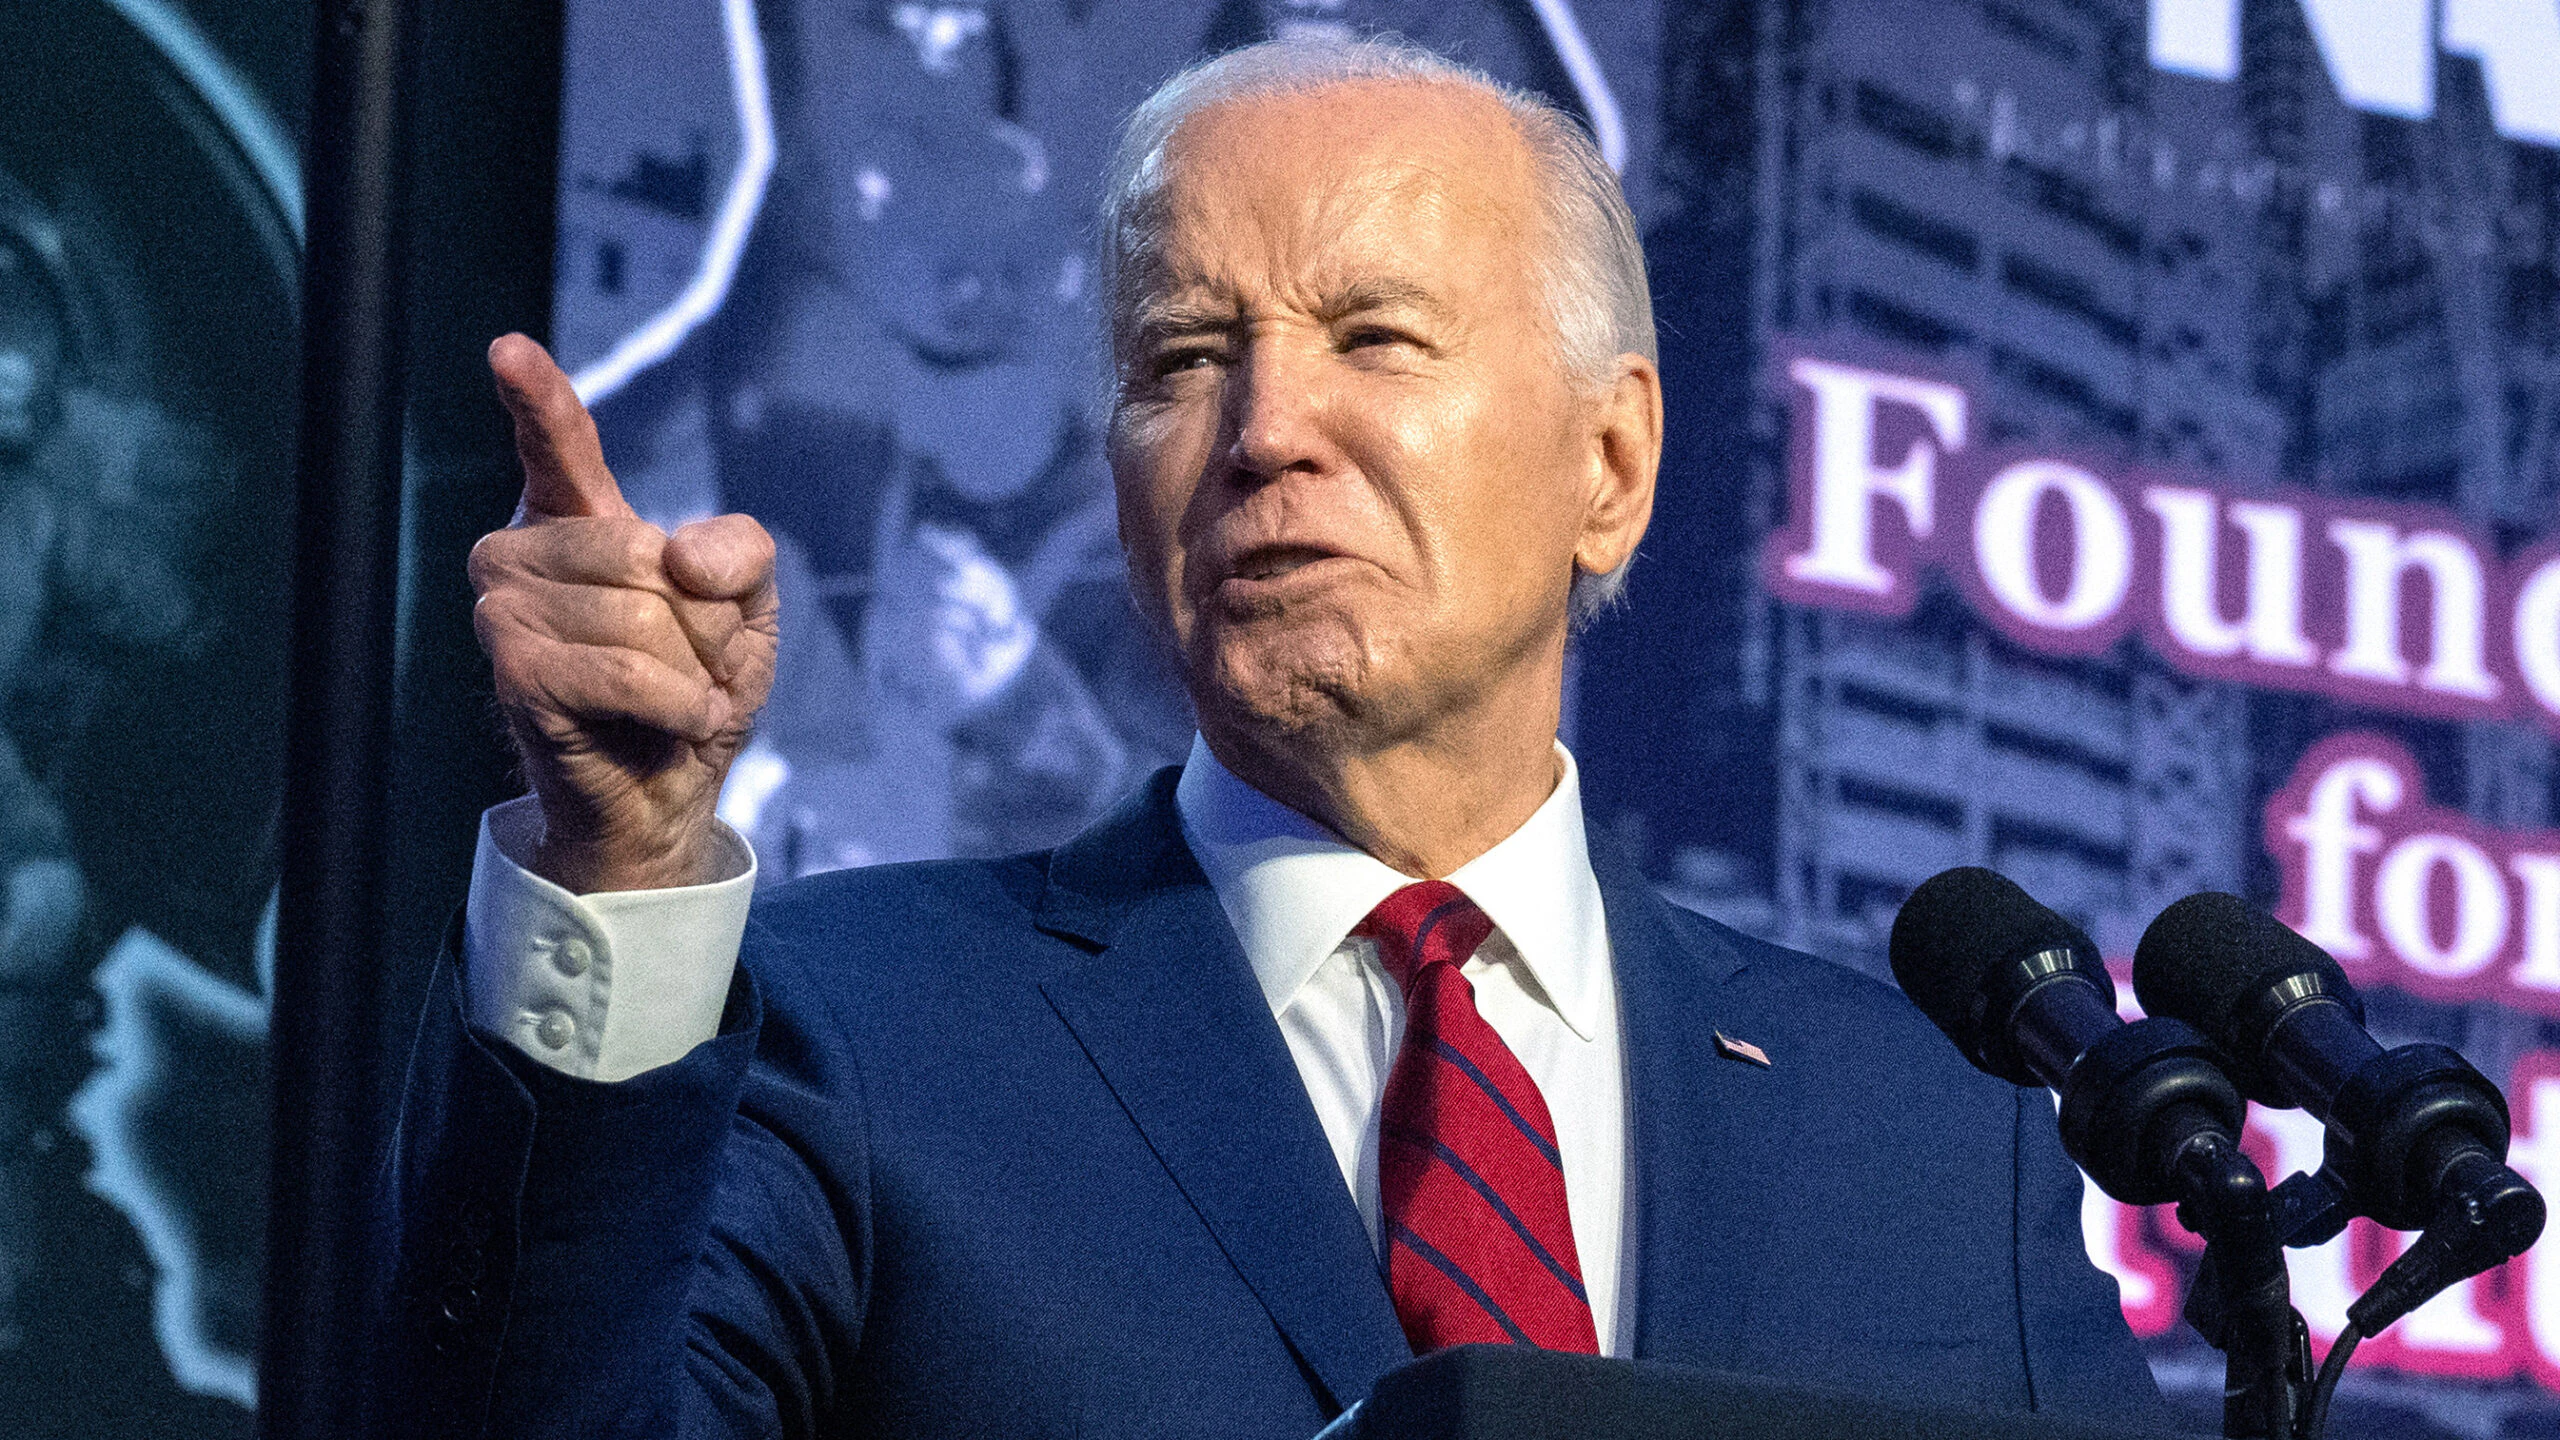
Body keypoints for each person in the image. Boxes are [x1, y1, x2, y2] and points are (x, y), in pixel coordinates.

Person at [391, 36, 2169, 1439]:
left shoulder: (1932, 1143)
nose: (1263, 430)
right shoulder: (844, 1038)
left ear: (1610, 467)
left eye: (1374, 337)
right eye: (1180, 360)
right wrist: (619, 871)